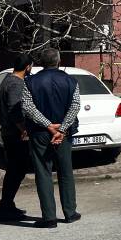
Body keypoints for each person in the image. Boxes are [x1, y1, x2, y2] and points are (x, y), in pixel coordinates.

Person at [21, 48, 81, 228]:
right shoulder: (71, 81)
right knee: (66, 171)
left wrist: (48, 126)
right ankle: (70, 212)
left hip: (40, 133)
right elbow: (75, 106)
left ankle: (49, 217)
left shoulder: (30, 81)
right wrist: (61, 129)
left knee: (43, 173)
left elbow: (27, 107)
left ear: (40, 63)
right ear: (59, 61)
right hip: (64, 133)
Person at [0, 53, 34, 222]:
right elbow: (14, 109)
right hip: (14, 134)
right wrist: (23, 129)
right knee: (16, 170)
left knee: (15, 170)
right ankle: (5, 207)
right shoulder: (16, 84)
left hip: (9, 132)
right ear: (28, 67)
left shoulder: (7, 80)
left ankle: (7, 205)